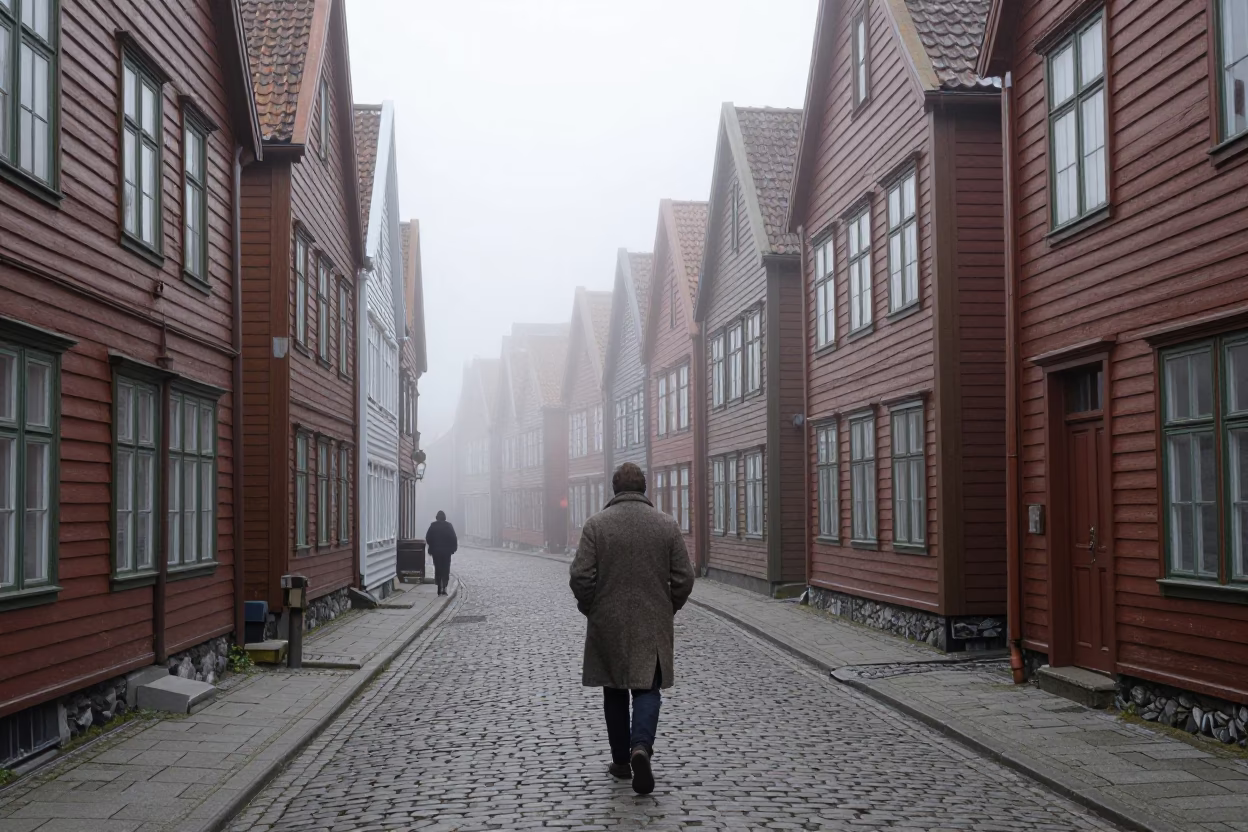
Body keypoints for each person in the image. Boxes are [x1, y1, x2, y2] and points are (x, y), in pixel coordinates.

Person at [569, 462, 695, 795]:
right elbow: (685, 577)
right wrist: (668, 607)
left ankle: (621, 762)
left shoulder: (596, 525)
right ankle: (641, 747)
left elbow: (581, 576)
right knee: (647, 689)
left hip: (607, 622)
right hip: (651, 621)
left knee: (614, 690)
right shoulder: (666, 525)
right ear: (644, 488)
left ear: (614, 489)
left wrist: (591, 608)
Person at [424, 510, 458, 596]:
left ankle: (439, 587)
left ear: (437, 517)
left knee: (438, 569)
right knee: (445, 569)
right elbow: (454, 538)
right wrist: (453, 549)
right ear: (444, 517)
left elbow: (428, 538)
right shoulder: (448, 526)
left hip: (436, 552)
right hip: (446, 552)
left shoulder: (433, 526)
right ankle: (445, 587)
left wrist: (431, 547)